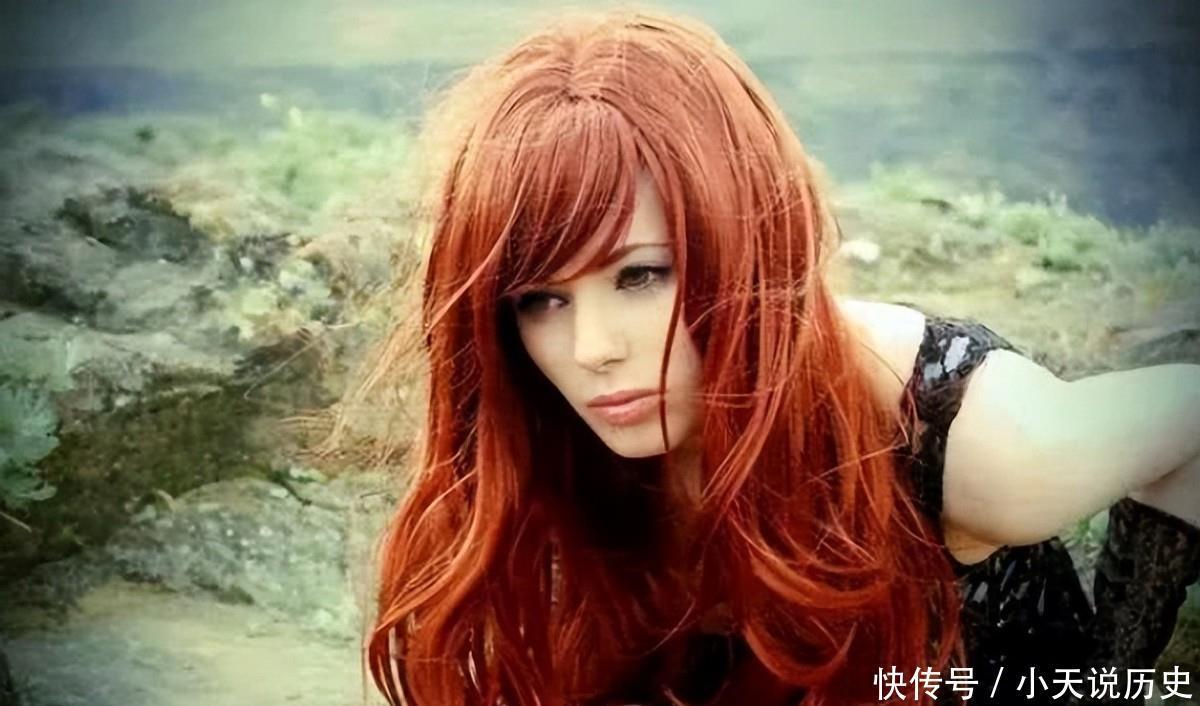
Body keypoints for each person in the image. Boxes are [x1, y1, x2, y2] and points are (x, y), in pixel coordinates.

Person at [344, 8, 1200, 705]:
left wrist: (1120, 655)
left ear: (743, 247)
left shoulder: (985, 446)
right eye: (542, 298)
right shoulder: (543, 436)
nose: (593, 351)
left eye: (641, 275)